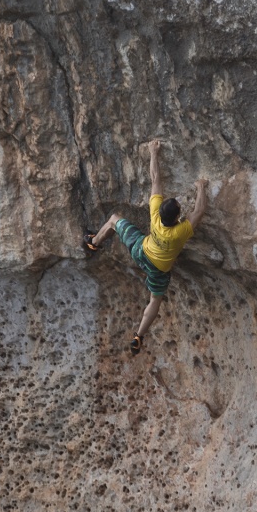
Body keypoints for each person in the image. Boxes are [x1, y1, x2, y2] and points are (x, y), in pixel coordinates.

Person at [83, 139, 208, 354]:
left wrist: (153, 152)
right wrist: (201, 187)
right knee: (155, 299)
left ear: (160, 212)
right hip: (158, 269)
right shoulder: (180, 232)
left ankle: (93, 243)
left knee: (114, 219)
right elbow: (199, 211)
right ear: (178, 217)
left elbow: (155, 179)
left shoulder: (155, 215)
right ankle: (139, 336)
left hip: (140, 250)